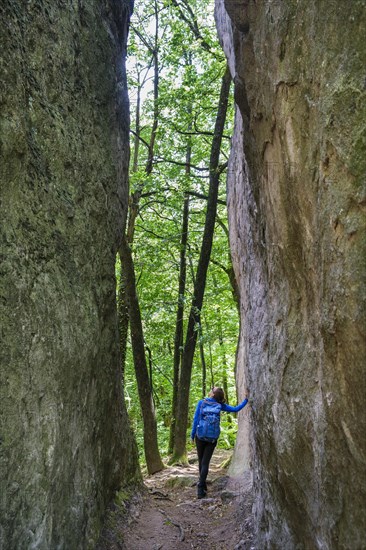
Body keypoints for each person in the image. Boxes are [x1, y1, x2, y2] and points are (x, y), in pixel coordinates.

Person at [190, 386, 249, 499]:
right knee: (205, 463)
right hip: (212, 438)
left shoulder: (201, 403)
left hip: (200, 436)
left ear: (212, 394)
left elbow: (196, 420)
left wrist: (193, 435)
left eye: (212, 389)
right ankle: (201, 486)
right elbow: (236, 409)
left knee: (201, 461)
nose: (210, 389)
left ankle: (201, 487)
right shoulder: (220, 405)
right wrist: (246, 399)